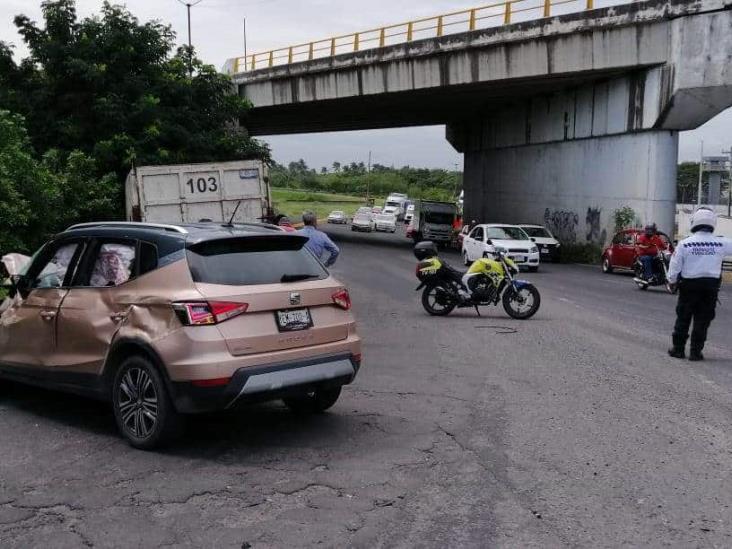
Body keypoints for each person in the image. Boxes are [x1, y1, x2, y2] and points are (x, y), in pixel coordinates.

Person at [667, 207, 732, 361]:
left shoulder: (685, 243)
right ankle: (696, 353)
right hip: (710, 287)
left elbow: (675, 265)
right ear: (712, 223)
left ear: (694, 222)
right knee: (703, 320)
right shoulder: (721, 242)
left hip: (689, 286)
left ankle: (678, 350)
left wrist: (672, 281)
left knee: (683, 317)